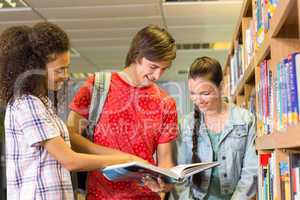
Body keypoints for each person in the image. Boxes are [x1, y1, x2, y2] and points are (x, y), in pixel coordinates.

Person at [0, 22, 147, 200]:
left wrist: (128, 157)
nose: (66, 75)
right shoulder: (27, 103)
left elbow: (77, 150)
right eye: (60, 69)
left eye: (67, 68)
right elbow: (70, 160)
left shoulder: (42, 103)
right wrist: (124, 160)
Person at [67, 25, 179, 200]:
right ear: (136, 56)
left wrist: (165, 183)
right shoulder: (96, 86)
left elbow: (165, 159)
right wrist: (120, 158)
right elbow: (70, 136)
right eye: (153, 67)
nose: (157, 75)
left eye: (164, 69)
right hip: (100, 195)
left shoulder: (166, 103)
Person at [176, 57, 257, 200]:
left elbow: (251, 172)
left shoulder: (245, 120)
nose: (198, 100)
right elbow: (180, 177)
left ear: (220, 87)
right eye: (192, 93)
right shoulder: (186, 124)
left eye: (205, 93)